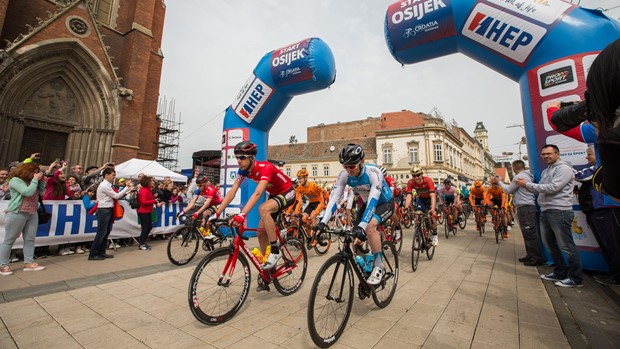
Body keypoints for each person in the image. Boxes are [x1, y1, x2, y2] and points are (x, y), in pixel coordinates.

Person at [211, 141, 296, 277]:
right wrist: (217, 212)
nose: (238, 161)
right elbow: (232, 192)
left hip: (287, 192)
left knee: (263, 209)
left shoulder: (265, 167)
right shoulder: (243, 171)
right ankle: (267, 269)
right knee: (261, 233)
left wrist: (242, 214)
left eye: (242, 157)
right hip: (275, 195)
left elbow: (257, 193)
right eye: (237, 157)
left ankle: (275, 251)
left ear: (252, 158)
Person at [315, 144, 393, 285]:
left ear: (362, 162)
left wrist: (362, 227)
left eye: (351, 167)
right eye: (345, 166)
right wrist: (322, 222)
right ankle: (366, 261)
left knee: (369, 227)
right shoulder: (344, 176)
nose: (348, 170)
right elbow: (334, 199)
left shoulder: (374, 173)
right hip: (366, 204)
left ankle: (379, 265)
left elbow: (373, 202)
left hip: (383, 203)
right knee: (352, 237)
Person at [516, 144, 582, 288]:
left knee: (567, 246)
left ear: (557, 154)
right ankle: (560, 272)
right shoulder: (547, 170)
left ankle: (576, 278)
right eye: (543, 154)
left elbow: (553, 188)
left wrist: (527, 184)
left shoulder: (564, 169)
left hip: (560, 210)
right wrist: (526, 186)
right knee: (550, 244)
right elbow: (541, 190)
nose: (546, 156)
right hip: (547, 210)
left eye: (549, 153)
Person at [573, 147, 620, 286]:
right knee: (606, 245)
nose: (587, 157)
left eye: (589, 154)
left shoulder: (601, 166)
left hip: (606, 210)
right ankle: (614, 274)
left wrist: (565, 166)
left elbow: (580, 175)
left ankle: (618, 276)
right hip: (596, 210)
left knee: (612, 245)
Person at [0, 162, 46, 276]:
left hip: (32, 212)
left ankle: (28, 263)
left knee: (30, 238)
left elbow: (42, 193)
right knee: (9, 240)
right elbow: (28, 192)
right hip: (17, 212)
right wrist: (35, 180)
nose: (36, 174)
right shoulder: (15, 180)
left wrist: (42, 181)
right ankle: (3, 265)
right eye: (34, 172)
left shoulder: (32, 181)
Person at [497, 160, 544, 266]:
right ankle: (530, 255)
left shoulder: (519, 177)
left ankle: (536, 258)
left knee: (530, 233)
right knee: (527, 233)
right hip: (526, 207)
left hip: (525, 207)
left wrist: (499, 182)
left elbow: (508, 190)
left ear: (514, 168)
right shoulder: (527, 176)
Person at [88, 167, 130, 261]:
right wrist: (126, 187)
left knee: (106, 232)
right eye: (113, 175)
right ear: (106, 175)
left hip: (108, 209)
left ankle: (101, 252)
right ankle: (93, 253)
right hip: (103, 210)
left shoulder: (108, 185)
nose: (114, 177)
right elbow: (116, 196)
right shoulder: (104, 185)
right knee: (101, 232)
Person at [404, 166, 438, 246]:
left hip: (430, 199)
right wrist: (406, 207)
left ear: (421, 174)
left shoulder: (428, 180)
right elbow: (409, 195)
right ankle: (417, 236)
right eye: (414, 175)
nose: (416, 177)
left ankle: (435, 235)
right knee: (417, 214)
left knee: (431, 216)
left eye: (418, 175)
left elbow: (433, 195)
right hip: (422, 199)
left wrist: (432, 209)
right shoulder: (410, 182)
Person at [294, 169, 326, 244]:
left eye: (301, 178)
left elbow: (325, 192)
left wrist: (328, 203)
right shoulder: (300, 188)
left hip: (319, 202)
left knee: (312, 216)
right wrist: (296, 211)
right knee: (303, 218)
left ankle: (316, 238)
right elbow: (298, 200)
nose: (299, 180)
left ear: (306, 178)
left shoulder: (313, 185)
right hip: (311, 203)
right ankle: (310, 234)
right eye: (298, 178)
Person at [136, 175, 163, 251]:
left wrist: (153, 198)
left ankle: (142, 242)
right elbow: (144, 202)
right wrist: (153, 200)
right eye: (151, 181)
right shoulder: (144, 190)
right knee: (146, 228)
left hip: (147, 211)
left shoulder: (147, 190)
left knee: (148, 227)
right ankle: (141, 244)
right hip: (143, 211)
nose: (152, 182)